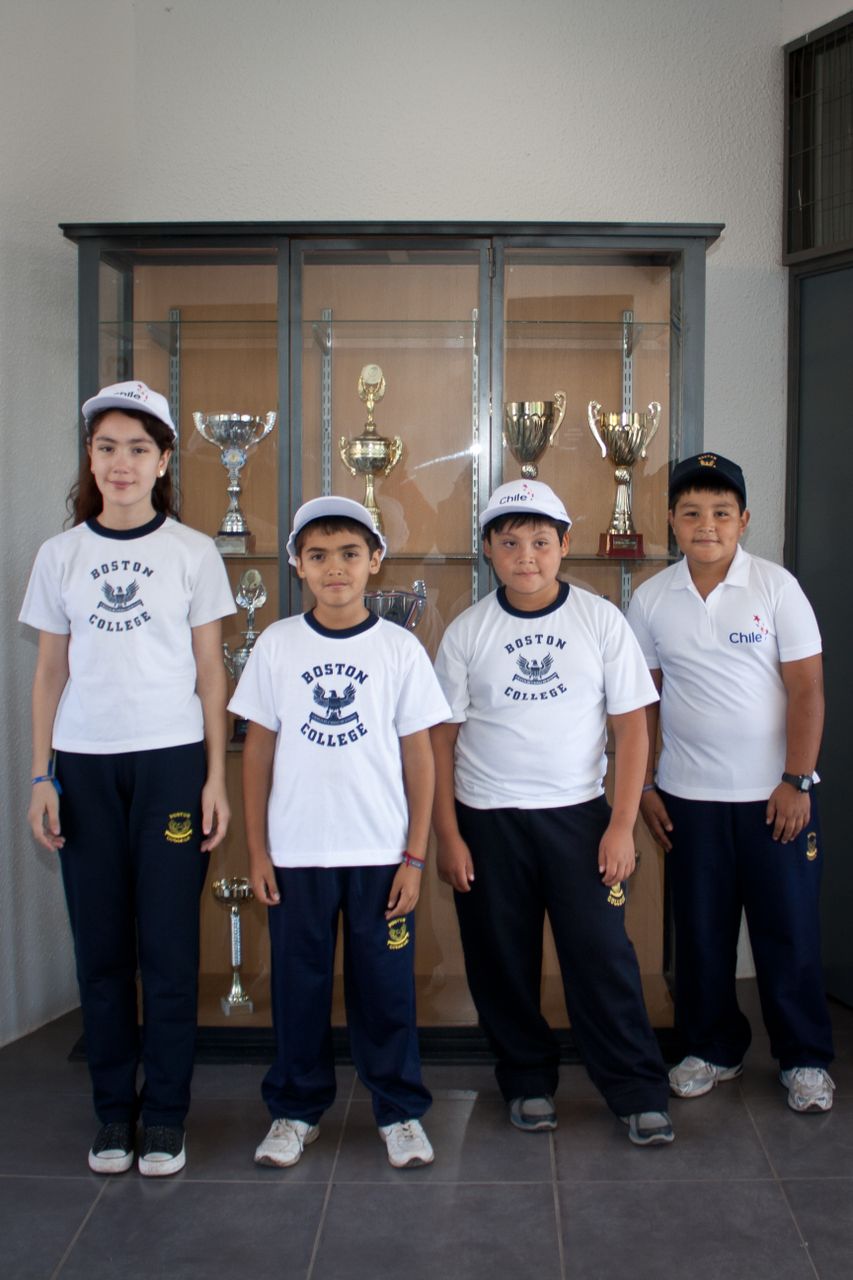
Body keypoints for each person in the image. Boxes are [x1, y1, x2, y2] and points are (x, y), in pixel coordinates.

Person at [21, 380, 235, 1176]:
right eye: (106, 447)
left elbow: (212, 671)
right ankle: (115, 1113)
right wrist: (42, 775)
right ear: (91, 457)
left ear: (164, 460)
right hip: (83, 768)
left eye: (138, 448)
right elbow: (49, 673)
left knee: (170, 952)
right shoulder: (61, 555)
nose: (121, 463)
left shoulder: (193, 552)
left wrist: (215, 776)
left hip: (171, 766)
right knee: (102, 952)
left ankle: (167, 1116)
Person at [431, 479, 674, 1146]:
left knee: (600, 958)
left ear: (565, 546)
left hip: (579, 820)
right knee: (500, 962)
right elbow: (440, 741)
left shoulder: (599, 621)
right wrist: (447, 835)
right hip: (487, 821)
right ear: (487, 550)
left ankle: (634, 1090)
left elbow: (630, 731)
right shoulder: (467, 632)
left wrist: (620, 824)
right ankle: (528, 1081)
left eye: (540, 542)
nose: (526, 556)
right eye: (509, 543)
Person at [230, 496, 450, 1170]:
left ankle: (400, 1109)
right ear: (297, 563)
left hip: (381, 855)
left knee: (385, 990)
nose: (335, 568)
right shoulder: (276, 644)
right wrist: (258, 851)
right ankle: (295, 1110)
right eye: (319, 555)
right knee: (297, 988)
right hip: (298, 855)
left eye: (350, 554)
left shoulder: (398, 649)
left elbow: (421, 757)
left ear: (374, 561)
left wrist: (414, 855)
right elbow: (258, 751)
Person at [627, 452, 835, 1113]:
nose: (705, 524)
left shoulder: (775, 588)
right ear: (670, 522)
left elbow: (806, 690)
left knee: (788, 933)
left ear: (742, 520)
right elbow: (644, 703)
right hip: (689, 800)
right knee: (701, 935)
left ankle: (803, 1059)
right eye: (690, 513)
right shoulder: (651, 597)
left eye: (720, 512)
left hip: (775, 800)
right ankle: (709, 1049)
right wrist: (645, 788)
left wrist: (795, 779)